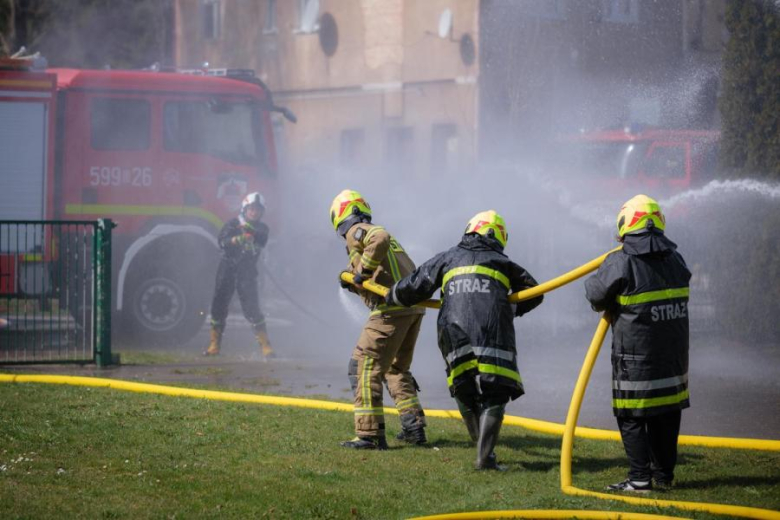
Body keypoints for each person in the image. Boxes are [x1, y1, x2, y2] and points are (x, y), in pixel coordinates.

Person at [386, 210, 543, 470]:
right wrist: (510, 308)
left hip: (452, 333)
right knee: (495, 391)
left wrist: (390, 295)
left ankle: (478, 446)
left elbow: (416, 285)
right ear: (495, 235)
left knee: (463, 385)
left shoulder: (448, 258)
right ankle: (485, 457)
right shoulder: (501, 262)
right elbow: (535, 292)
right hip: (492, 332)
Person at [584, 194, 691, 492]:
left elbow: (595, 295)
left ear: (624, 224)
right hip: (673, 359)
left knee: (631, 416)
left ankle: (640, 479)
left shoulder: (621, 260)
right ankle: (664, 478)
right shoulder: (676, 259)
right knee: (667, 414)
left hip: (635, 360)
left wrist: (597, 276)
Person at [330, 189, 427, 450]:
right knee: (395, 368)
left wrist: (362, 272)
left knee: (362, 366)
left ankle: (370, 435)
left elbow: (379, 239)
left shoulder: (357, 229)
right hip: (412, 309)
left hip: (391, 309)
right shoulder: (388, 241)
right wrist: (353, 282)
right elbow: (378, 274)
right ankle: (413, 426)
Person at [204, 191, 274, 360]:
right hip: (227, 270)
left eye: (257, 210)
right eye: (251, 209)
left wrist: (251, 234)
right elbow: (222, 242)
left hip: (247, 273)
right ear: (245, 208)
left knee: (252, 308)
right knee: (219, 305)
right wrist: (238, 239)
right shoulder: (233, 224)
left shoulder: (262, 229)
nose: (254, 212)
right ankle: (214, 345)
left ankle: (266, 346)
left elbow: (261, 239)